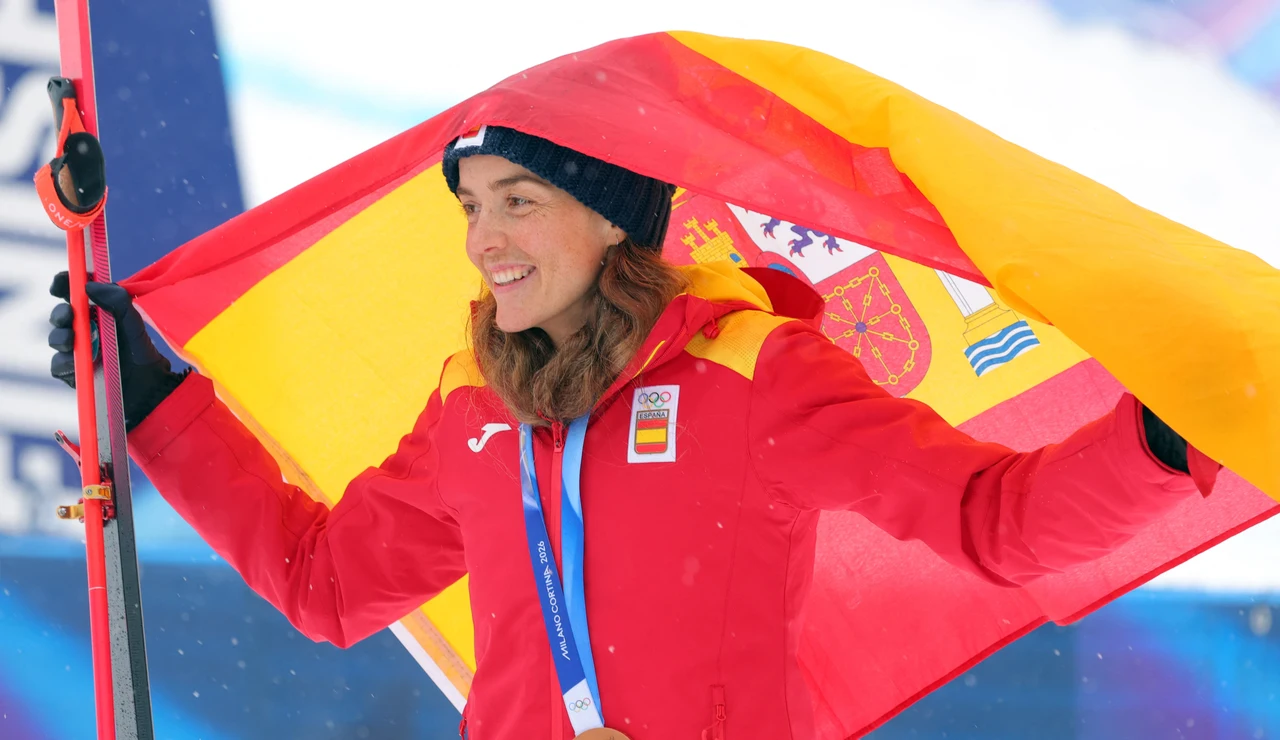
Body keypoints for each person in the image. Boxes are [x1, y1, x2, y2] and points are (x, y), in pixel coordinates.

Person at [49, 125, 1206, 740]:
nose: (484, 237)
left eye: (517, 199)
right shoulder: (473, 404)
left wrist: (1166, 435)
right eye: (471, 204)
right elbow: (327, 581)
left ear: (611, 218)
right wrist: (152, 401)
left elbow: (991, 521)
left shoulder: (752, 373)